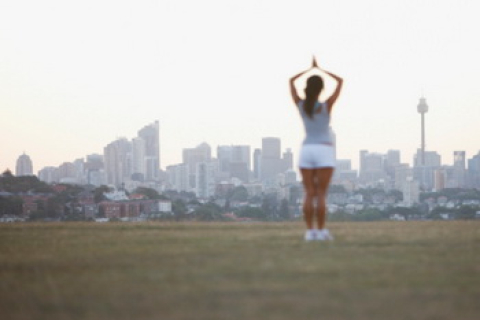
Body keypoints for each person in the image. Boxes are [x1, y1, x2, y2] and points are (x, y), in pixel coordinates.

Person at [290, 57, 343, 241]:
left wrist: (308, 70)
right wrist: (320, 69)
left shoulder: (301, 105)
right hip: (324, 150)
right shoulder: (326, 105)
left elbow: (291, 81)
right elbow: (340, 81)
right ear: (321, 89)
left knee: (309, 192)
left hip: (307, 149)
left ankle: (310, 231)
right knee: (321, 193)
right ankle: (321, 232)